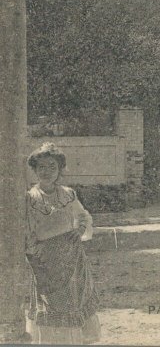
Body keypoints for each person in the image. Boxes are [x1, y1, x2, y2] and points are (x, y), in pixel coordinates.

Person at [25, 143, 101, 344]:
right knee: (50, 303)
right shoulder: (30, 198)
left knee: (72, 302)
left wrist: (79, 230)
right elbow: (28, 231)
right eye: (41, 167)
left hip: (72, 258)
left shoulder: (68, 194)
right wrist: (35, 257)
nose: (46, 172)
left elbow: (82, 216)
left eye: (52, 167)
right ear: (34, 169)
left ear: (59, 170)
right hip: (46, 259)